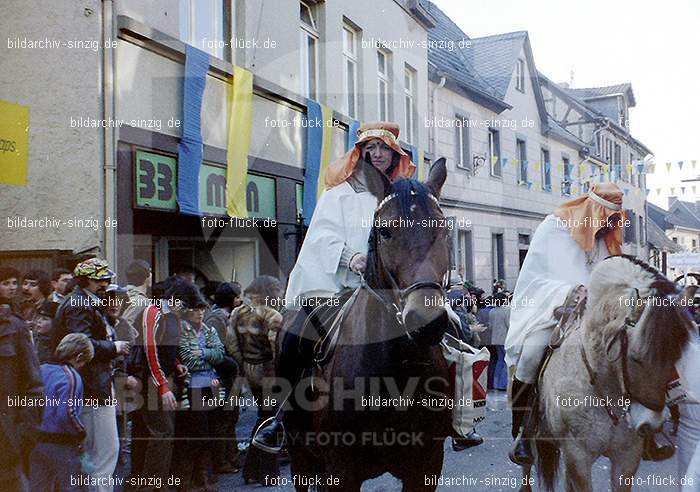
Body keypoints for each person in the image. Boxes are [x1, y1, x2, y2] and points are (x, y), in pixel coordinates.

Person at [256, 121, 416, 451]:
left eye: (384, 148)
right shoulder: (339, 194)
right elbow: (321, 236)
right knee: (295, 336)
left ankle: (454, 416)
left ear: (394, 153)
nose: (377, 154)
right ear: (360, 153)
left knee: (445, 332)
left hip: (391, 291)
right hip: (335, 287)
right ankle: (283, 418)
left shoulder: (402, 198)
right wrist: (350, 257)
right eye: (370, 148)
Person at [504, 183, 672, 465]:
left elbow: (612, 276)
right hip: (554, 309)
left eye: (615, 219)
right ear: (592, 210)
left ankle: (649, 428)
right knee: (531, 355)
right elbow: (537, 278)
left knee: (640, 347)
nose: (610, 224)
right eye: (607, 216)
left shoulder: (604, 237)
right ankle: (524, 431)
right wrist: (570, 290)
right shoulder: (554, 227)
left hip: (599, 314)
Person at [52, 258, 131, 492]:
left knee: (97, 454)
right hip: (93, 387)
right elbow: (81, 345)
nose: (105, 283)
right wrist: (114, 347)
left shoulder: (82, 301)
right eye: (100, 279)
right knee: (105, 453)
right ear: (86, 280)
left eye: (106, 279)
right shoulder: (80, 304)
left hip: (90, 385)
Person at [127, 277, 191, 490]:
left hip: (164, 377)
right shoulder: (153, 312)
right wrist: (162, 385)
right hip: (151, 379)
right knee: (161, 432)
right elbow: (150, 351)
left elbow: (167, 347)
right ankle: (150, 485)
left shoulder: (172, 315)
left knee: (164, 432)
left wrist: (176, 363)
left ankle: (155, 483)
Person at [226, 276, 284, 483]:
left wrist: (245, 364)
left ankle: (251, 471)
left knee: (264, 417)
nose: (280, 294)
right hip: (269, 372)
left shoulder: (237, 313)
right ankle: (267, 473)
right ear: (269, 292)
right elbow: (275, 348)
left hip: (250, 370)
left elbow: (231, 345)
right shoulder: (273, 316)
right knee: (272, 421)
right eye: (277, 290)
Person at [174, 287, 225, 491]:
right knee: (195, 433)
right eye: (196, 309)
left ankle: (204, 477)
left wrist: (202, 352)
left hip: (210, 386)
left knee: (211, 431)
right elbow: (187, 358)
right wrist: (208, 355)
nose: (200, 313)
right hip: (191, 387)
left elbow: (220, 354)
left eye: (202, 309)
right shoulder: (182, 329)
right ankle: (188, 479)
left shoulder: (209, 330)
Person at [30, 333, 95, 491]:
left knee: (38, 486)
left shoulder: (41, 369)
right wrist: (81, 434)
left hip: (37, 441)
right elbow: (67, 413)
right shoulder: (71, 377)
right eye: (84, 362)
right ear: (79, 357)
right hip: (62, 444)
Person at [0, 276, 44, 492]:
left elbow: (33, 383)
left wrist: (25, 432)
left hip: (8, 442)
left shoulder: (13, 326)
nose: (12, 288)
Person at [204, 282, 243, 474]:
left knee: (230, 418)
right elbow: (216, 350)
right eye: (237, 296)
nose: (241, 299)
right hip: (222, 377)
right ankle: (221, 461)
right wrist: (233, 364)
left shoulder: (224, 316)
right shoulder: (216, 318)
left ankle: (231, 457)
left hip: (229, 375)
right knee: (223, 419)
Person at [488, 292, 510, 392]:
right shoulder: (506, 311)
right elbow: (509, 325)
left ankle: (495, 383)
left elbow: (490, 326)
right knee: (505, 361)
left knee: (499, 360)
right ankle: (503, 384)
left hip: (495, 339)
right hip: (505, 338)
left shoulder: (492, 311)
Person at [122, 260, 152, 326]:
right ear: (145, 275)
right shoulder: (140, 300)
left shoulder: (123, 292)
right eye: (150, 271)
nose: (151, 275)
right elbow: (124, 325)